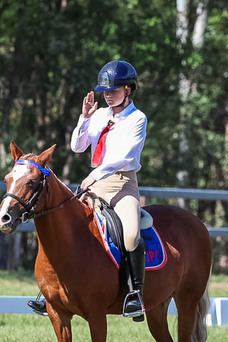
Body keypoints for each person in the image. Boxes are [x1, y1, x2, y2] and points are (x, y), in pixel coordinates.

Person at [28, 60, 148, 321]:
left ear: (129, 89)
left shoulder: (137, 119)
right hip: (93, 184)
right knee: (65, 226)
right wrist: (84, 118)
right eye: (105, 90)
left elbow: (123, 157)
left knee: (130, 235)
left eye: (114, 90)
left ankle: (135, 295)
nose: (108, 94)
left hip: (121, 184)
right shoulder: (101, 115)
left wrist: (93, 176)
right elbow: (77, 147)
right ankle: (50, 291)